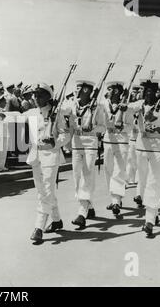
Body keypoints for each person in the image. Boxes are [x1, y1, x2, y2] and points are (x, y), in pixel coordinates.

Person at [28, 83, 71, 242]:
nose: (36, 98)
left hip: (51, 155)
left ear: (48, 97)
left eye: (40, 95)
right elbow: (15, 116)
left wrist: (54, 142)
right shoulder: (32, 113)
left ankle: (38, 227)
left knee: (46, 190)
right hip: (36, 155)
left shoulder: (57, 114)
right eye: (35, 95)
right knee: (42, 190)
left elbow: (66, 135)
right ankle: (57, 219)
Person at [127, 79, 160, 237]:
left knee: (153, 182)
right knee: (143, 181)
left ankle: (149, 220)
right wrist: (123, 106)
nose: (148, 94)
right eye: (146, 91)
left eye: (151, 91)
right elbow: (129, 108)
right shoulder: (141, 103)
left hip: (156, 147)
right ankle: (153, 213)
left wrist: (155, 116)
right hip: (141, 148)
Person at [69, 80, 106, 229]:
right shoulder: (72, 105)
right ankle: (89, 207)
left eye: (79, 88)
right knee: (76, 176)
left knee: (87, 175)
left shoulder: (97, 107)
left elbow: (103, 128)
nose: (76, 90)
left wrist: (92, 127)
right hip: (76, 144)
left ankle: (82, 212)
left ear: (86, 90)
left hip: (90, 144)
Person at [102, 81, 131, 216]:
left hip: (121, 140)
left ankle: (116, 200)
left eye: (114, 89)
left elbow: (131, 126)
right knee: (108, 169)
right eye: (109, 89)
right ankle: (113, 197)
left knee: (118, 170)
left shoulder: (126, 106)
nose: (111, 92)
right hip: (108, 140)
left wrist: (123, 127)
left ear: (119, 92)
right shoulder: (103, 106)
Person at [126, 84, 142, 185]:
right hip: (131, 136)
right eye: (133, 93)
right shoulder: (130, 106)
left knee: (139, 160)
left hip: (140, 136)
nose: (135, 94)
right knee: (129, 159)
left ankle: (138, 179)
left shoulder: (141, 105)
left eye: (137, 93)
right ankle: (128, 179)